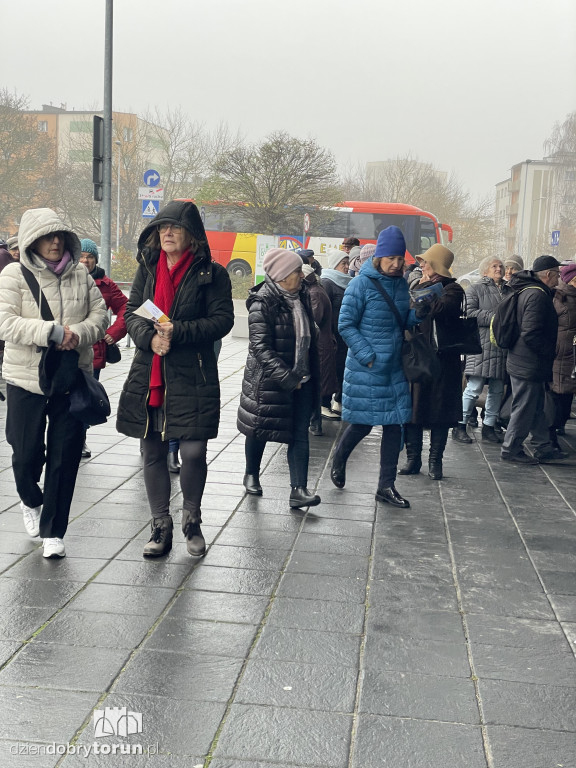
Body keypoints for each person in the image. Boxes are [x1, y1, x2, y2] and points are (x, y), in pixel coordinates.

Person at [116, 200, 234, 557]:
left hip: (192, 374)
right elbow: (132, 310)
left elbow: (223, 321)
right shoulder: (148, 268)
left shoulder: (212, 274)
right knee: (151, 448)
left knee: (194, 450)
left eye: (175, 228)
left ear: (192, 236)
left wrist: (177, 330)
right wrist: (149, 337)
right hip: (150, 371)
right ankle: (160, 526)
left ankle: (192, 520)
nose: (167, 233)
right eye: (161, 228)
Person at [0, 208, 107, 558]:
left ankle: (53, 531)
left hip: (71, 378)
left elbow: (101, 315)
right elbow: (6, 323)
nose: (55, 241)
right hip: (25, 379)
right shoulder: (14, 274)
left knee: (65, 456)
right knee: (26, 450)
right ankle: (30, 499)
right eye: (48, 236)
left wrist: (78, 334)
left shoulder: (80, 274)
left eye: (59, 235)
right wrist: (51, 332)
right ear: (33, 240)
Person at [330, 226, 421, 508]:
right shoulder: (360, 284)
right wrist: (368, 355)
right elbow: (345, 325)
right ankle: (340, 458)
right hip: (367, 367)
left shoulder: (402, 284)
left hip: (394, 367)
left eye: (400, 259)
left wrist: (419, 314)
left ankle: (386, 486)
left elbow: (401, 320)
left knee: (395, 425)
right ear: (379, 257)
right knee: (363, 424)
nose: (396, 264)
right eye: (391, 258)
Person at [237, 248, 321, 508]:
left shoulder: (302, 295)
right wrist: (287, 378)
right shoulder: (263, 301)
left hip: (302, 377)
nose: (302, 275)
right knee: (259, 427)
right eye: (297, 271)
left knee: (299, 433)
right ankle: (251, 473)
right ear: (283, 275)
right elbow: (260, 348)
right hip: (269, 381)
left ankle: (299, 490)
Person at [400, 244, 465, 480]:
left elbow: (439, 308)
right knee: (413, 410)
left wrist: (423, 293)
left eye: (426, 262)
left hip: (443, 360)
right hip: (418, 356)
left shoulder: (453, 289)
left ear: (436, 265)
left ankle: (435, 462)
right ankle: (413, 459)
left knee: (441, 413)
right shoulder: (417, 285)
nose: (421, 266)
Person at [500, 254, 566, 464]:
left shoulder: (527, 290)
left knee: (535, 404)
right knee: (524, 406)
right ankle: (510, 448)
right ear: (548, 274)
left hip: (522, 360)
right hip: (529, 362)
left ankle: (543, 446)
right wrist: (549, 351)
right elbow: (530, 333)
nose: (559, 278)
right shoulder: (537, 296)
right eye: (557, 274)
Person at [452, 257, 511, 445]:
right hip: (481, 346)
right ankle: (459, 425)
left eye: (501, 266)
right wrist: (497, 318)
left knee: (496, 389)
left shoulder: (510, 290)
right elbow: (470, 313)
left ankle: (489, 426)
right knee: (474, 387)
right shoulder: (475, 289)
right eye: (494, 266)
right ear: (484, 271)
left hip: (501, 347)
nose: (499, 268)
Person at [79, 238, 128, 459]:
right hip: (68, 348)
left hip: (94, 353)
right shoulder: (65, 279)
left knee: (86, 398)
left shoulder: (106, 285)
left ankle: (80, 439)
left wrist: (113, 333)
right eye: (80, 256)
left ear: (95, 260)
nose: (84, 260)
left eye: (89, 257)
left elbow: (126, 308)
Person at [302, 264, 338, 437]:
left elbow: (313, 320)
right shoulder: (317, 289)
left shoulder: (314, 293)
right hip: (321, 344)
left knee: (316, 385)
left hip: (319, 345)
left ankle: (315, 423)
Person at [321, 248, 353, 418]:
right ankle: (324, 403)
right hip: (332, 335)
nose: (347, 267)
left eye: (347, 263)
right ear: (335, 265)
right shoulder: (327, 282)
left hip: (343, 337)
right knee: (330, 369)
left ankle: (338, 401)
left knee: (341, 369)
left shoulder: (346, 282)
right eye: (343, 264)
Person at [549, 262, 576, 446]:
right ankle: (550, 434)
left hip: (571, 352)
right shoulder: (559, 297)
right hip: (559, 351)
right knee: (558, 391)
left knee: (567, 390)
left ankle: (558, 425)